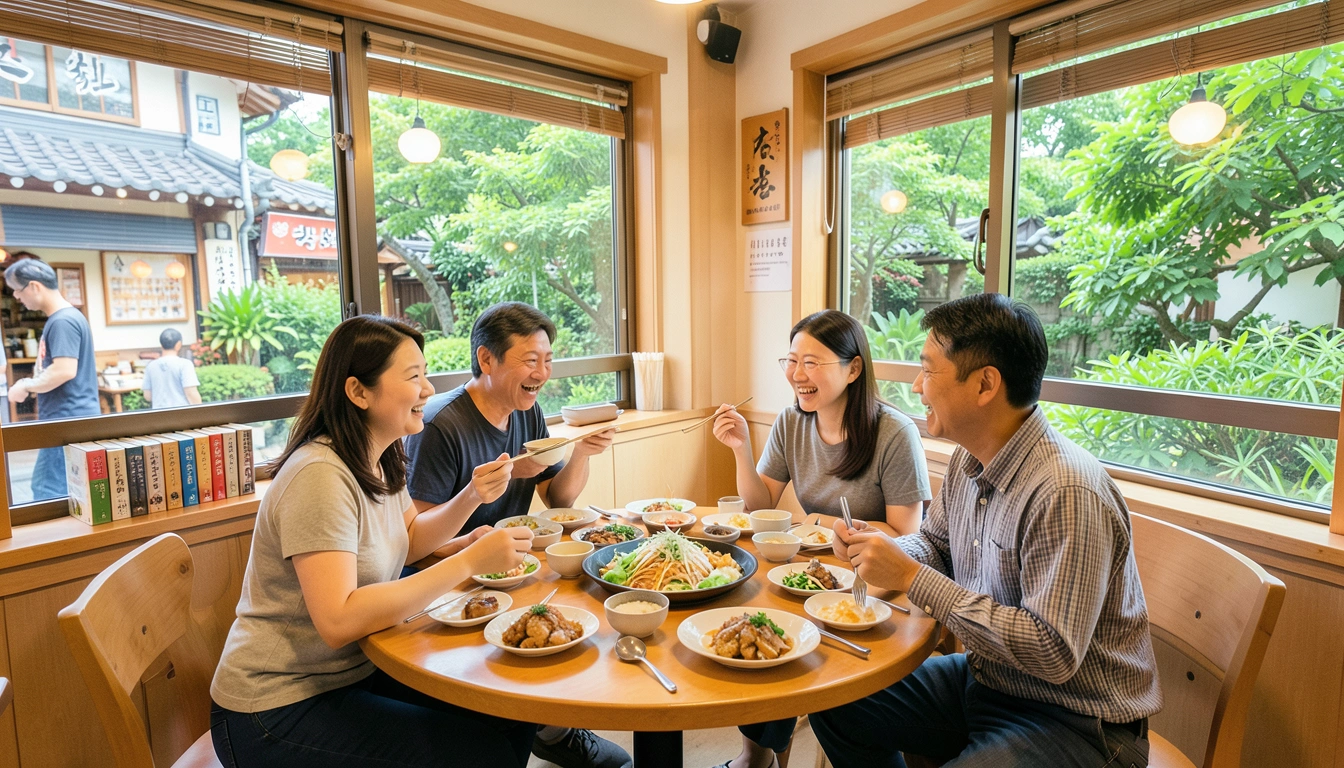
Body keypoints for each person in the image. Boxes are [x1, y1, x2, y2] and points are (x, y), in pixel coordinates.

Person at [812, 293, 1161, 768]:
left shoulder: (1066, 490)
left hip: (1079, 720)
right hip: (991, 681)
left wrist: (910, 576)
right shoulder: (969, 458)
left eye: (928, 370)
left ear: (985, 384)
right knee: (834, 697)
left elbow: (1053, 652)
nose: (916, 386)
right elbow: (936, 545)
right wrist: (883, 551)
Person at [210, 315, 538, 767]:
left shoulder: (378, 456)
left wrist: (471, 499)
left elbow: (410, 538)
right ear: (358, 392)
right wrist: (466, 563)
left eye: (425, 374)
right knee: (482, 754)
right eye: (413, 377)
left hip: (352, 674)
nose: (428, 389)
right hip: (275, 706)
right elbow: (339, 619)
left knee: (511, 708)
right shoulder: (320, 475)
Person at [403, 301, 626, 768]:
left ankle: (552, 729)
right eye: (530, 360)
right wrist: (478, 504)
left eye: (547, 360)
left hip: (512, 568)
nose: (541, 373)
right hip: (450, 586)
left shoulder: (528, 411)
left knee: (581, 607)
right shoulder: (440, 424)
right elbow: (415, 542)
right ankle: (543, 730)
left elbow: (559, 498)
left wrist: (582, 452)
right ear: (486, 359)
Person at [708, 308, 931, 768]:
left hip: (871, 583)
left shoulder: (894, 432)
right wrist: (741, 449)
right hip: (809, 572)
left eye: (812, 362)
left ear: (853, 369)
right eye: (792, 361)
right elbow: (760, 507)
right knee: (761, 617)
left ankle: (760, 757)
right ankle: (757, 756)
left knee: (790, 632)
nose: (797, 374)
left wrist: (820, 520)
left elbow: (907, 534)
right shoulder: (792, 422)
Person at [4, 257, 99, 500]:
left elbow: (64, 370)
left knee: (47, 491)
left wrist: (25, 385)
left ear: (34, 286)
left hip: (65, 420)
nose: (16, 296)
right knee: (69, 491)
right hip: (72, 419)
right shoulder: (66, 317)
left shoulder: (62, 321)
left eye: (17, 290)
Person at [142, 328, 201, 409]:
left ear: (161, 345)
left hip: (158, 413)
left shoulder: (151, 366)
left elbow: (147, 396)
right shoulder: (185, 364)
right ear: (178, 344)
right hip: (181, 413)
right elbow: (191, 393)